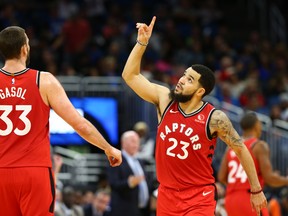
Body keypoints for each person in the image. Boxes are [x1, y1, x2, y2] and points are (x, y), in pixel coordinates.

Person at [121, 16, 267, 216]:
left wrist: (256, 189)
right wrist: (142, 43)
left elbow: (241, 149)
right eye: (184, 74)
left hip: (199, 196)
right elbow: (130, 76)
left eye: (189, 79)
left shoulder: (214, 118)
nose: (181, 80)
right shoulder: (165, 99)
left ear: (200, 91)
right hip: (166, 195)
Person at [0, 26, 122, 216]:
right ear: (25, 49)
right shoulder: (44, 80)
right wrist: (108, 147)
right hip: (35, 172)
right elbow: (79, 124)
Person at [218, 112, 288, 216]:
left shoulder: (231, 147)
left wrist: (238, 186)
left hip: (231, 199)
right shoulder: (259, 145)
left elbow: (221, 177)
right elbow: (269, 178)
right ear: (256, 125)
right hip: (251, 198)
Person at [107, 130, 151, 216]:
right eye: (133, 141)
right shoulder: (116, 160)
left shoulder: (140, 161)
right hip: (124, 211)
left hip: (142, 210)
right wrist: (128, 183)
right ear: (123, 143)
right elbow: (113, 183)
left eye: (137, 142)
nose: (136, 145)